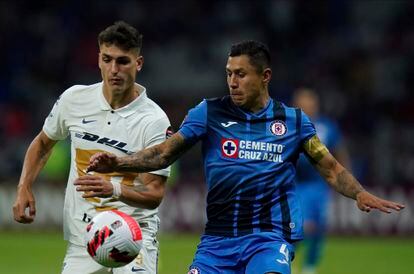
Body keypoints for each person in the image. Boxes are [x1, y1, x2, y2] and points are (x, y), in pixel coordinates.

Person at [86, 40, 405, 274]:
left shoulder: (293, 121)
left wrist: (359, 192)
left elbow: (331, 168)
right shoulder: (208, 112)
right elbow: (164, 153)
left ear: (264, 76)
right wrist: (120, 162)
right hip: (217, 241)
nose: (232, 82)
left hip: (268, 238)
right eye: (228, 73)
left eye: (241, 74)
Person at [12, 21, 172, 274]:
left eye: (123, 61)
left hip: (133, 237)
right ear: (98, 59)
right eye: (107, 59)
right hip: (85, 239)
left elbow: (154, 196)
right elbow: (43, 142)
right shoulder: (74, 99)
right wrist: (24, 187)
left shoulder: (154, 121)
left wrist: (113, 189)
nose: (113, 69)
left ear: (138, 63)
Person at [292, 88, 351, 274]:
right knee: (301, 226)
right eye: (302, 104)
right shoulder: (289, 125)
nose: (307, 107)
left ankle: (309, 267)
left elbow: (339, 151)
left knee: (318, 229)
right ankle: (284, 259)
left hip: (320, 185)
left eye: (310, 103)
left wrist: (345, 180)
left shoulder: (327, 126)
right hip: (296, 184)